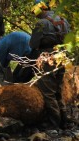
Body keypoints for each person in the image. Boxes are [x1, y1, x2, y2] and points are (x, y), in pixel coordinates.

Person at [29, 0, 71, 130]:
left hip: (48, 57)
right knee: (57, 90)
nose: (35, 15)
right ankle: (65, 121)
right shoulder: (64, 20)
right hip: (62, 57)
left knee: (48, 92)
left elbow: (33, 44)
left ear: (40, 9)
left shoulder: (41, 23)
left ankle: (54, 124)